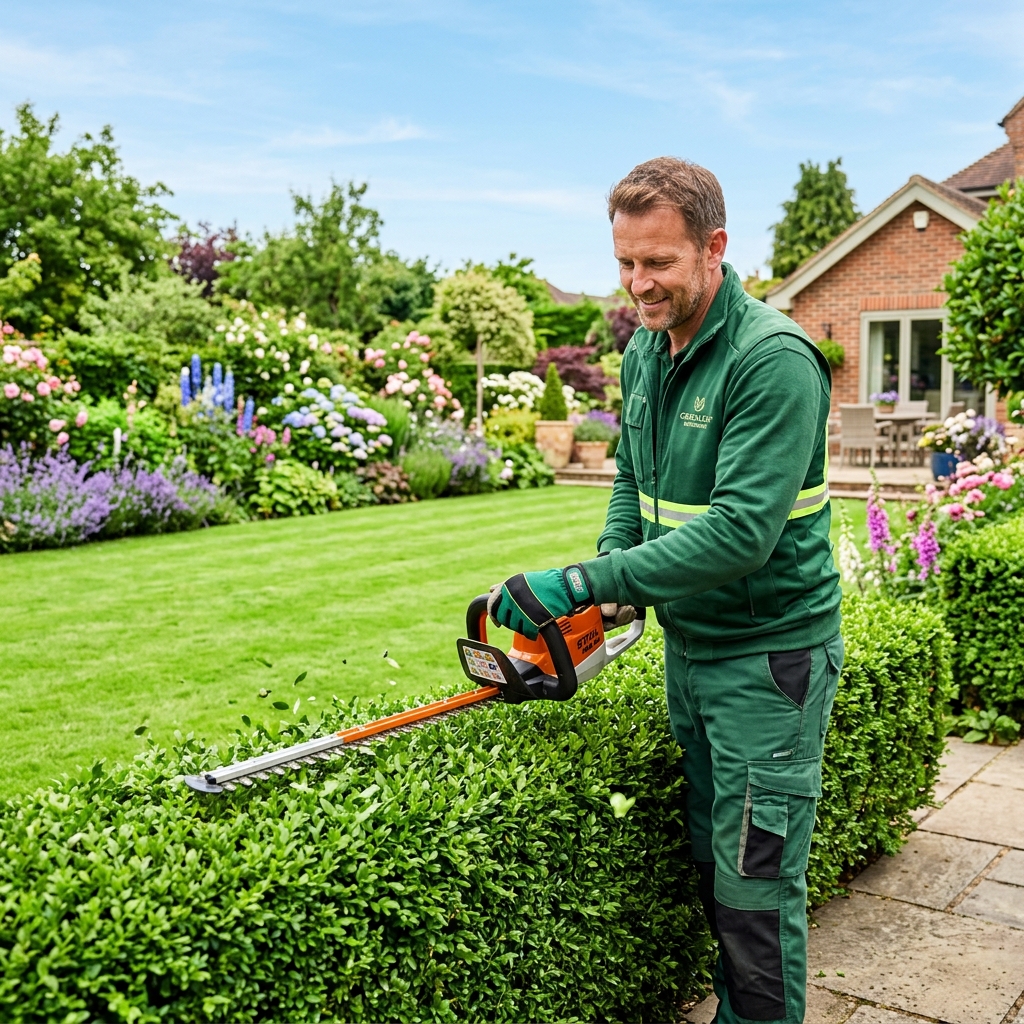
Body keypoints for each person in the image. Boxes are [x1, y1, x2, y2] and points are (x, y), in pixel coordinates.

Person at [489, 157, 842, 1024]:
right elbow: (631, 484)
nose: (638, 285)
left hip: (767, 661)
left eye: (659, 264)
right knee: (709, 858)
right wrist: (610, 581)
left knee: (757, 883)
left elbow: (738, 533)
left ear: (714, 249)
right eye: (624, 264)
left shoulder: (774, 361)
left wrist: (579, 580)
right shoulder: (646, 348)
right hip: (692, 653)